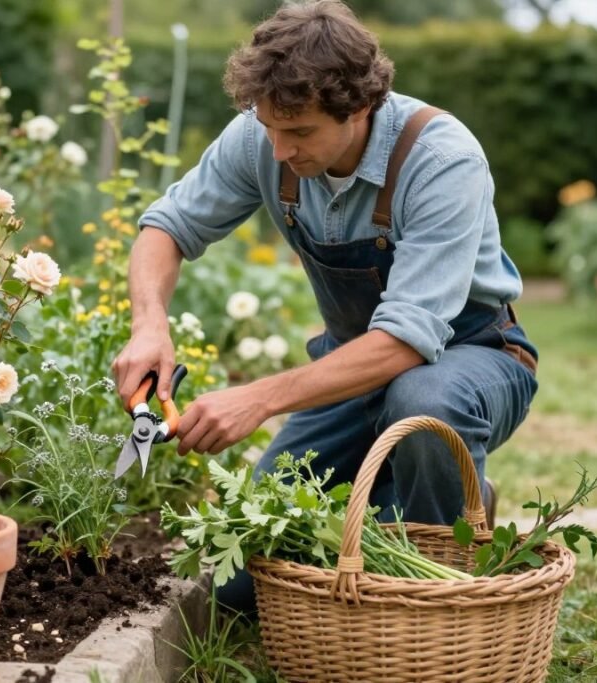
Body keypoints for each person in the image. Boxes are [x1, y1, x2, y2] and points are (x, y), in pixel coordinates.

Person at [111, 0, 539, 611]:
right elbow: (167, 228)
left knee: (422, 398)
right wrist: (149, 323)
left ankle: (439, 567)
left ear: (360, 107)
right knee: (242, 584)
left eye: (301, 132)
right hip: (350, 373)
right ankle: (412, 497)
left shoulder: (442, 160)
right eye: (269, 128)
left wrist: (257, 399)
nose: (279, 150)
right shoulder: (263, 136)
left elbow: (406, 341)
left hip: (473, 359)